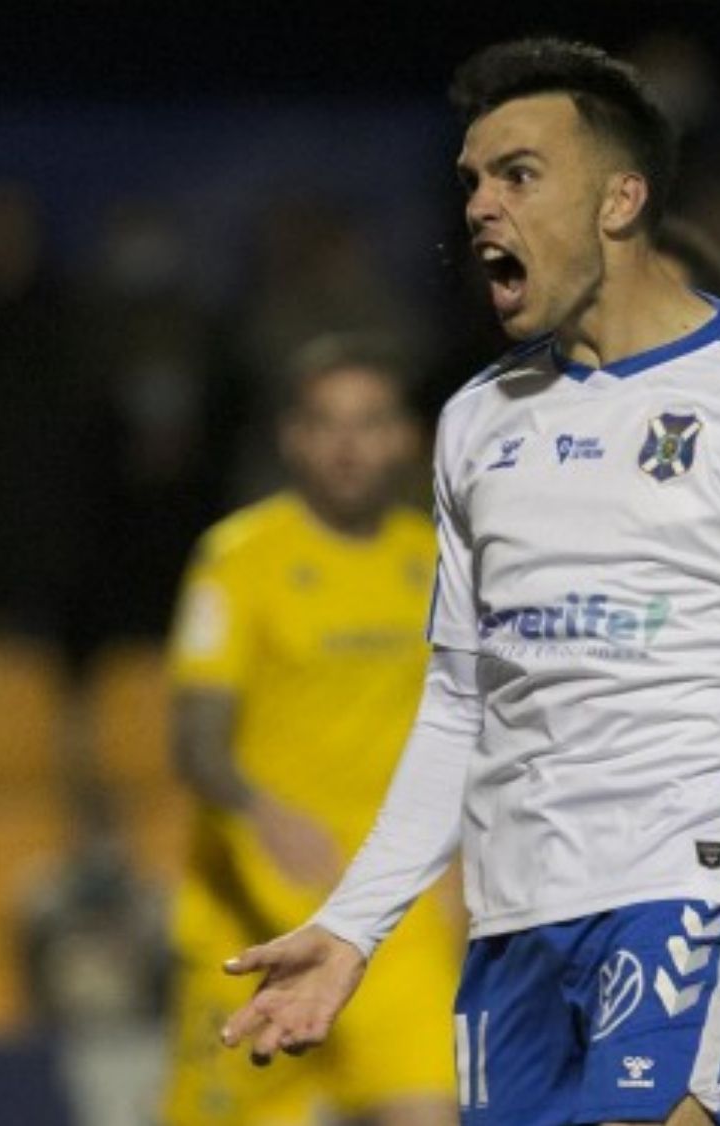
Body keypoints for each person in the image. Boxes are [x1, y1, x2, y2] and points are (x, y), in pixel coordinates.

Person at [218, 39, 720, 1126]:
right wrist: (353, 924)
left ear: (621, 198)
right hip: (514, 924)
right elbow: (460, 702)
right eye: (471, 182)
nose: (481, 207)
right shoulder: (473, 425)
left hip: (692, 892)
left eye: (519, 175)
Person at [161, 335, 459, 1126]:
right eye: (327, 423)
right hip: (257, 920)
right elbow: (195, 741)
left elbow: (476, 730)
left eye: (370, 422)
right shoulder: (237, 560)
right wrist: (264, 814)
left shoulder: (435, 565)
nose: (349, 445)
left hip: (399, 918)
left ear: (405, 437)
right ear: (292, 438)